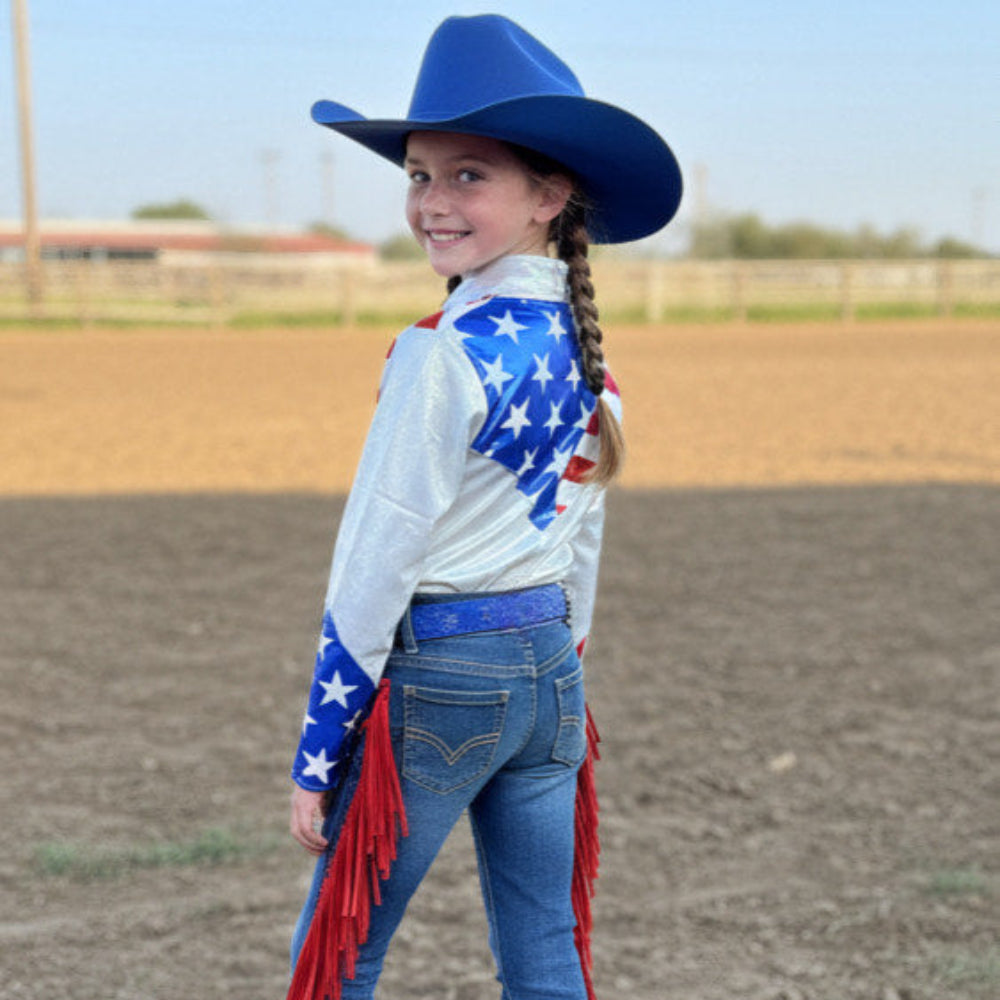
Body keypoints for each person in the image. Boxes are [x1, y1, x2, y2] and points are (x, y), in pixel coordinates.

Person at [285, 14, 681, 1000]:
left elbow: (378, 550)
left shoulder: (440, 354)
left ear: (550, 195)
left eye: (468, 176)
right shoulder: (592, 366)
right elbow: (578, 546)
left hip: (445, 679)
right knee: (544, 949)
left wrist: (319, 743)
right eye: (419, 174)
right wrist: (561, 671)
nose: (430, 201)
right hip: (549, 674)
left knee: (339, 953)